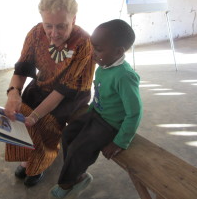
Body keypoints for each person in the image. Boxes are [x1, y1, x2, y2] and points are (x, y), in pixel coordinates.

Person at [4, 0, 95, 187]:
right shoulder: (36, 33)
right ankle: (28, 156)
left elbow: (62, 91)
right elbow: (22, 69)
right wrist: (13, 94)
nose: (53, 34)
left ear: (74, 19)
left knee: (45, 122)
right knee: (18, 112)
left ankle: (40, 162)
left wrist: (35, 116)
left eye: (61, 26)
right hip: (43, 83)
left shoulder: (83, 43)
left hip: (72, 93)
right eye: (48, 26)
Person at [48, 19, 143, 199]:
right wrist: (90, 111)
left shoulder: (124, 76)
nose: (93, 52)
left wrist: (119, 142)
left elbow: (135, 112)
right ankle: (77, 174)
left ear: (118, 51)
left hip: (111, 124)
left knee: (79, 148)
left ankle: (67, 183)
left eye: (98, 49)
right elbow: (100, 94)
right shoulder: (103, 66)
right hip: (97, 113)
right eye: (93, 46)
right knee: (68, 134)